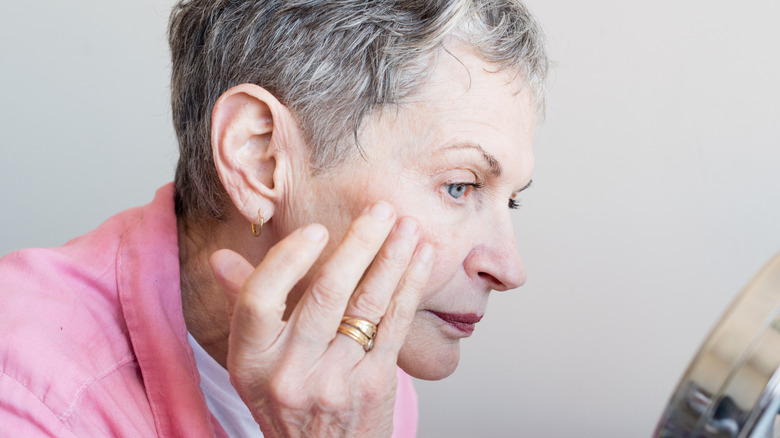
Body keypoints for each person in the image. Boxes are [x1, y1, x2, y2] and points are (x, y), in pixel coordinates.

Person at [0, 0, 549, 436]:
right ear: (259, 158)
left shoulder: (360, 357)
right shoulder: (30, 399)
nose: (511, 267)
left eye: (512, 199)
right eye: (460, 185)